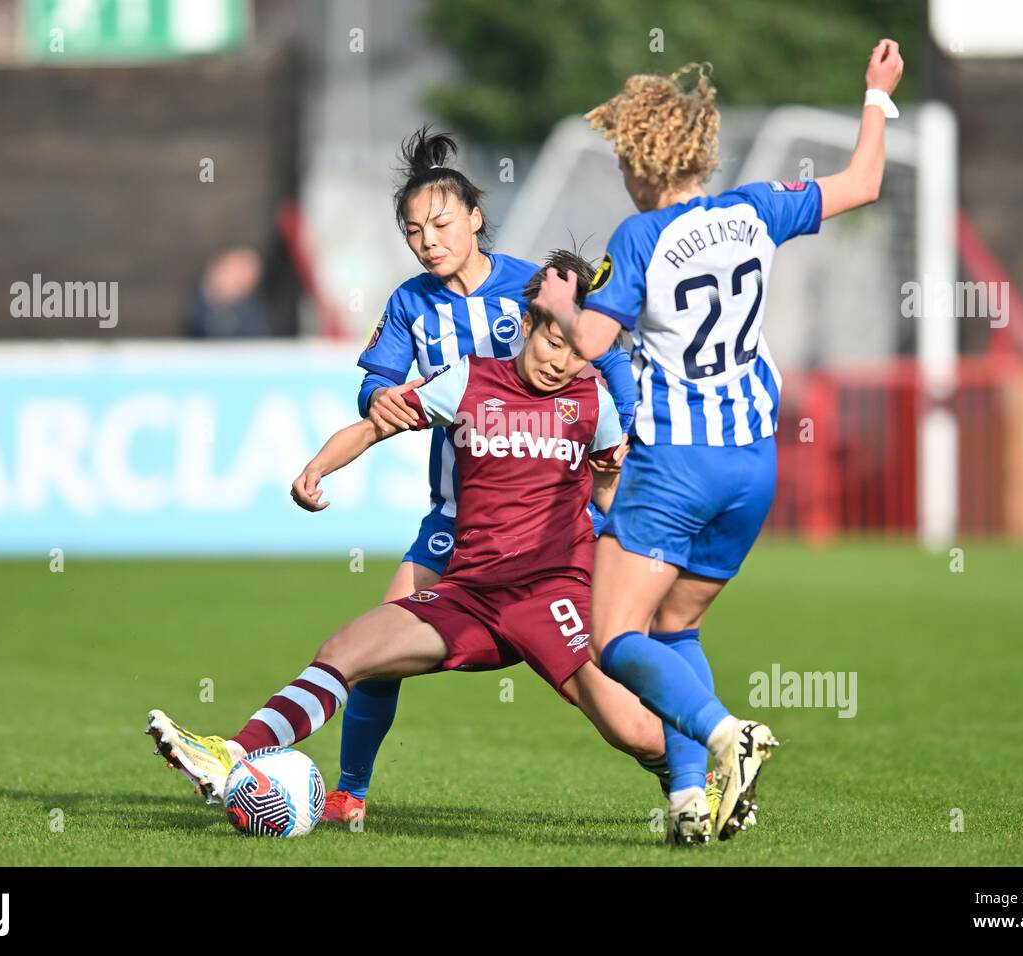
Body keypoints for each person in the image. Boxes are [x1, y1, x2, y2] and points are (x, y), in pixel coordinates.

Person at [145, 252, 673, 830]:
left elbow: (608, 495)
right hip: (469, 593)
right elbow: (378, 422)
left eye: (578, 351)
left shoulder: (593, 401)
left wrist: (633, 525)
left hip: (552, 595)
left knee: (638, 732)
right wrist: (317, 469)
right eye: (553, 342)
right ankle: (231, 756)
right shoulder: (471, 378)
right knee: (345, 651)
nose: (560, 361)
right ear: (527, 325)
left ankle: (700, 778)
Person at [533, 42, 906, 843]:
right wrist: (876, 95)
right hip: (752, 464)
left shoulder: (639, 237)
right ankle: (690, 803)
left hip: (675, 464)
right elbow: (866, 182)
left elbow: (592, 343)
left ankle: (725, 732)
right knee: (677, 628)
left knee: (614, 637)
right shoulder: (757, 207)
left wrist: (563, 300)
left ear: (641, 159)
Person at [328, 127, 638, 824]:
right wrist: (373, 397)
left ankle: (688, 756)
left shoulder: (532, 286)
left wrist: (629, 418)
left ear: (474, 216)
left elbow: (603, 350)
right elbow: (378, 385)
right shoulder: (411, 301)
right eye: (413, 231)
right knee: (377, 646)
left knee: (607, 660)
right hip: (455, 515)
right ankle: (349, 793)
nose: (428, 240)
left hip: (556, 511)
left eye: (440, 223)